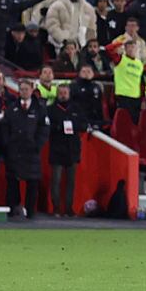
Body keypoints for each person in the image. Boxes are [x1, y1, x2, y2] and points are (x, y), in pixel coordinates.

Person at [1, 79, 49, 220]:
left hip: (31, 151)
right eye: (21, 89)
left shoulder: (39, 108)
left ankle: (30, 210)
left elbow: (44, 129)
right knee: (12, 182)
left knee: (32, 182)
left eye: (26, 89)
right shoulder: (12, 107)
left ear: (31, 90)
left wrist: (37, 145)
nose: (24, 91)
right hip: (14, 150)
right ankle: (13, 209)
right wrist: (8, 143)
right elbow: (5, 126)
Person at [47, 83, 85, 216]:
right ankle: (56, 208)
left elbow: (83, 125)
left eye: (65, 93)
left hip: (72, 148)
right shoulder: (51, 109)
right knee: (56, 180)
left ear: (69, 94)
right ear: (57, 94)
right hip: (57, 148)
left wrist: (74, 126)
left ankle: (69, 208)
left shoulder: (76, 108)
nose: (63, 95)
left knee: (71, 181)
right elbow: (47, 128)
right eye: (61, 93)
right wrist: (58, 127)